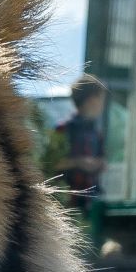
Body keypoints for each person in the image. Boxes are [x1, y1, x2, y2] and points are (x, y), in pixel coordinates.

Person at [46, 74, 108, 208]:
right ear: (91, 100)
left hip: (91, 202)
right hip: (66, 202)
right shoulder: (63, 129)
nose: (102, 105)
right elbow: (50, 164)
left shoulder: (96, 134)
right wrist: (79, 163)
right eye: (101, 99)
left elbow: (103, 163)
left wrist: (98, 164)